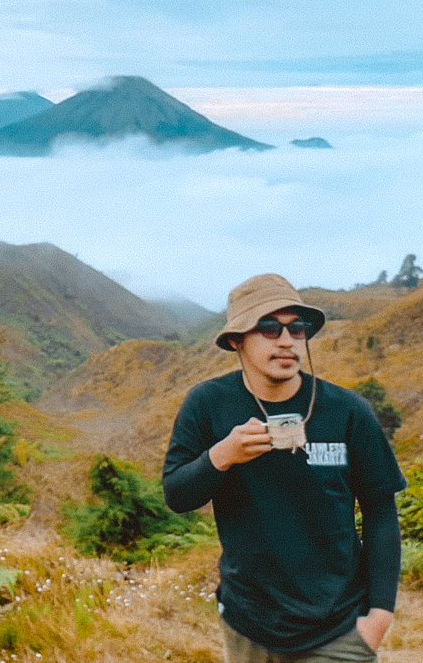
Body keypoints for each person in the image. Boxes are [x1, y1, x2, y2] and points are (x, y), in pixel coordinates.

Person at [163, 274, 406, 662]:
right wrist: (222, 455)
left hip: (340, 625)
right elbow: (177, 495)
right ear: (236, 340)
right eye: (269, 327)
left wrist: (379, 615)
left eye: (297, 328)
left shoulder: (347, 411)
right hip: (249, 624)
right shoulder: (208, 404)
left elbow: (380, 511)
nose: (286, 340)